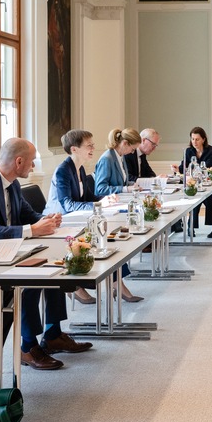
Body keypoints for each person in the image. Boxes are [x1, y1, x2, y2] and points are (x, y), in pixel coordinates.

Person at [0, 138, 92, 370]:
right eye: (31, 161)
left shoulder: (12, 183)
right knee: (31, 281)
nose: (34, 166)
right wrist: (32, 229)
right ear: (18, 162)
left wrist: (47, 220)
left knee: (54, 268)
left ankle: (53, 334)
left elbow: (29, 215)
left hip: (9, 251)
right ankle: (27, 347)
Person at [48, 129, 138, 304]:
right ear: (74, 149)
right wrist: (99, 205)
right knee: (103, 239)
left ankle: (116, 284)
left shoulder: (79, 169)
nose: (93, 149)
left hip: (78, 220)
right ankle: (79, 286)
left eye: (92, 145)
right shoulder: (62, 171)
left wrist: (105, 199)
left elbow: (88, 196)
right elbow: (67, 205)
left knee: (108, 240)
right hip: (62, 223)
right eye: (89, 146)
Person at [180, 126, 212, 238]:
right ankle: (192, 226)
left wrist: (193, 168)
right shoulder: (188, 151)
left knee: (208, 198)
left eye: (197, 139)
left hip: (209, 183)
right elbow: (183, 167)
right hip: (192, 183)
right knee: (195, 196)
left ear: (203, 139)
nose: (194, 142)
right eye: (192, 139)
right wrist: (177, 168)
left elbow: (207, 165)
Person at [94, 127, 141, 196]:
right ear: (125, 143)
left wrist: (133, 185)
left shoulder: (121, 156)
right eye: (133, 149)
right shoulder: (106, 159)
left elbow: (122, 182)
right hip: (108, 200)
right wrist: (126, 189)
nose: (132, 152)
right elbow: (101, 189)